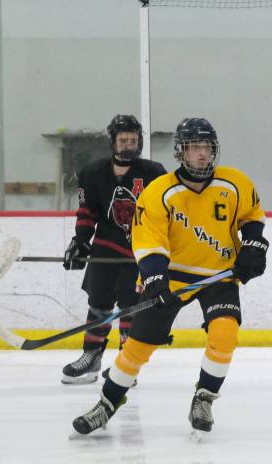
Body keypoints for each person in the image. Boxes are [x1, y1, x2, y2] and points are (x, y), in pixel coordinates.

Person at [71, 117, 268, 440]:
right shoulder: (159, 191)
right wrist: (154, 281)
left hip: (219, 275)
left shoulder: (235, 183)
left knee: (225, 333)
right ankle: (106, 403)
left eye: (206, 147)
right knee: (138, 347)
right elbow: (149, 242)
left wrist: (254, 247)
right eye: (194, 148)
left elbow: (252, 220)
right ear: (181, 152)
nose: (202, 155)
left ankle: (204, 398)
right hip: (172, 276)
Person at [61, 114, 167, 383]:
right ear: (113, 142)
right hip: (105, 250)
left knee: (131, 308)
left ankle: (124, 364)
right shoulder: (93, 172)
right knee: (98, 303)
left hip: (139, 252)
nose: (128, 145)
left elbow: (166, 213)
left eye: (133, 140)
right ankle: (91, 357)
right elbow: (88, 212)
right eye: (123, 140)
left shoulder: (155, 173)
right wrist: (80, 241)